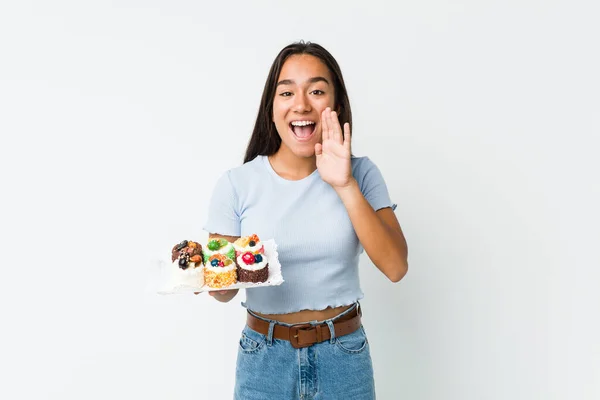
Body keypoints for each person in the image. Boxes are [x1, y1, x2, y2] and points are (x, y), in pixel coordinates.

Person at [202, 41, 408, 400]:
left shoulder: (362, 174)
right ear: (272, 106)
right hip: (263, 359)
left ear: (336, 104)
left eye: (316, 90)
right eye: (287, 92)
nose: (301, 104)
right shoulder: (237, 184)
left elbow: (395, 267)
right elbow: (224, 291)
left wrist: (344, 184)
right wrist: (209, 277)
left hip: (343, 354)